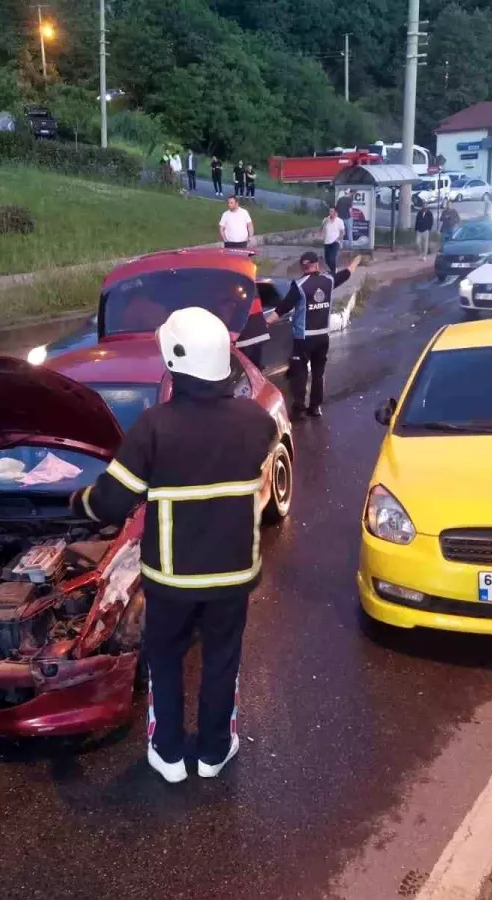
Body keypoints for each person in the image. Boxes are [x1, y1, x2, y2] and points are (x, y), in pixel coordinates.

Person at [69, 307, 277, 783]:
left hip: (171, 580)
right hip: (232, 577)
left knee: (165, 662)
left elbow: (110, 501)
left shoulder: (154, 427)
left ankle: (168, 755)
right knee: (223, 660)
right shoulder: (255, 421)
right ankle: (213, 752)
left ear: (174, 359)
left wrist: (76, 501)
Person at [267, 250, 363, 418]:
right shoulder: (329, 281)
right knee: (318, 373)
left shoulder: (299, 285)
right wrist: (356, 262)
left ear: (303, 267)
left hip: (303, 338)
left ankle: (299, 409)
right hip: (322, 338)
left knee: (300, 373)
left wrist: (265, 322)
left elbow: (282, 308)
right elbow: (346, 274)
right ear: (317, 264)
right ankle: (315, 407)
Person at [321, 207, 345, 275]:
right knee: (327, 260)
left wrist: (339, 240)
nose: (330, 213)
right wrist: (326, 221)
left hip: (335, 242)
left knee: (332, 258)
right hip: (326, 242)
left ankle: (333, 272)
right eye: (329, 211)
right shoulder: (325, 220)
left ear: (335, 213)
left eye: (332, 211)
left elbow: (343, 232)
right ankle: (333, 270)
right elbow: (322, 229)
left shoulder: (340, 221)